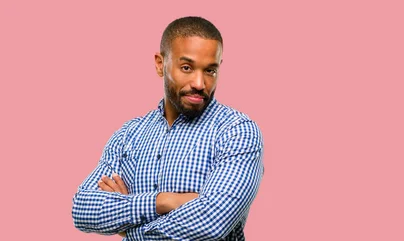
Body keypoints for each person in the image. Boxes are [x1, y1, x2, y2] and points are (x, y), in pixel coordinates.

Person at [72, 16, 264, 241]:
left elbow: (212, 222)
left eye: (210, 71)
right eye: (186, 67)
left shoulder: (236, 131)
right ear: (160, 64)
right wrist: (163, 201)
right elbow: (83, 210)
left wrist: (128, 229)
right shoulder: (129, 135)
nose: (199, 83)